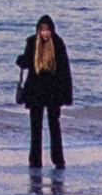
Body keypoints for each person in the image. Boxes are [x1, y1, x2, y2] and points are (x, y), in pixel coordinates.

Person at [14, 13, 74, 176]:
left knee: (54, 126)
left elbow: (65, 72)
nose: (45, 33)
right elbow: (28, 62)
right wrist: (21, 60)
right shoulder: (32, 42)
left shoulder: (59, 44)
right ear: (38, 31)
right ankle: (35, 162)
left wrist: (66, 95)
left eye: (47, 30)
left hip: (53, 93)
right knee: (36, 127)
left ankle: (59, 160)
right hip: (36, 92)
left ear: (52, 30)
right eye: (42, 30)